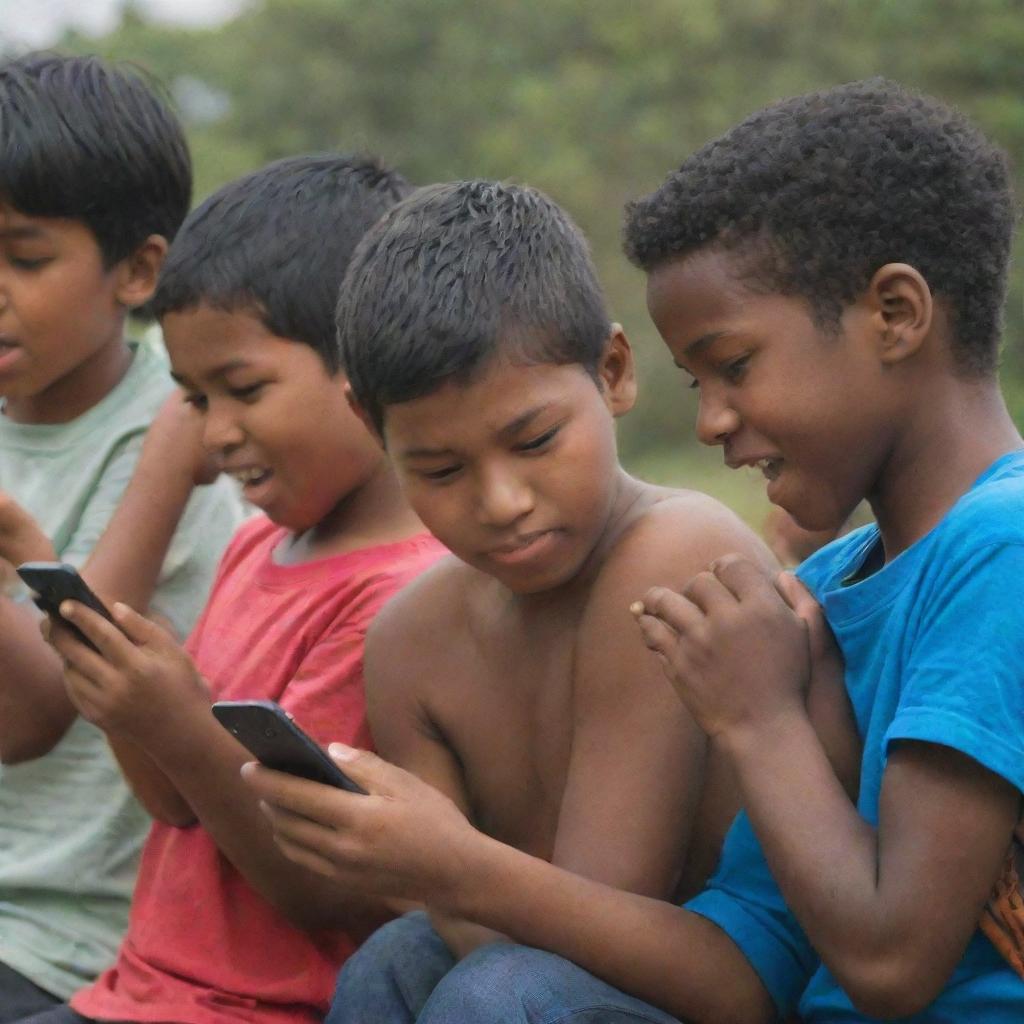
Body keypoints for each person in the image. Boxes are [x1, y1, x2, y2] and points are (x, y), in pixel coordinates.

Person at [248, 79, 1024, 1023]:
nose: (709, 422)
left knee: (506, 994)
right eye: (698, 381)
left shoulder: (1001, 545)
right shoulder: (817, 593)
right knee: (399, 963)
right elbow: (754, 963)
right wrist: (439, 873)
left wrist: (760, 719)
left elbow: (892, 965)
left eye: (732, 367)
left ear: (896, 314)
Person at [27, 154, 446, 1024]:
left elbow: (319, 888)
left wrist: (176, 716)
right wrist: (125, 704)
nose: (216, 436)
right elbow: (175, 803)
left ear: (366, 365)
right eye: (193, 398)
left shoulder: (404, 593)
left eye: (244, 389)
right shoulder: (257, 547)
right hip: (135, 993)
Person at [0, 53, 242, 1019]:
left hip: (65, 939)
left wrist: (20, 544)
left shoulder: (175, 433)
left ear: (138, 269)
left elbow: (32, 717)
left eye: (24, 258)